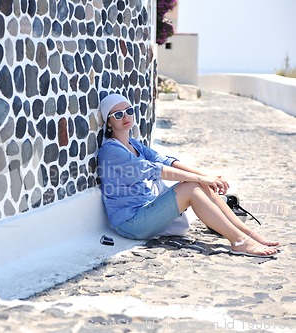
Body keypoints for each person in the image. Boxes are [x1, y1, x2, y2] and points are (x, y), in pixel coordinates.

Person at [97, 93, 279, 257]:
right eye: (118, 114)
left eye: (128, 111)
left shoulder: (134, 144)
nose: (126, 117)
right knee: (192, 187)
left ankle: (248, 234)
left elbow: (166, 161)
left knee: (199, 184)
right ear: (109, 122)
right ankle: (239, 242)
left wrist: (208, 176)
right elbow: (157, 171)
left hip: (146, 211)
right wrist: (200, 179)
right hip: (130, 223)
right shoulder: (111, 150)